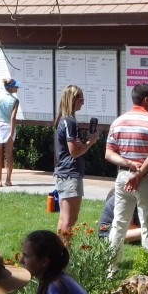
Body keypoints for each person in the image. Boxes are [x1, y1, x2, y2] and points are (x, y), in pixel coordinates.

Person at [104, 83, 148, 265]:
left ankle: (111, 268)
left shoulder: (118, 121)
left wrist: (128, 164)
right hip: (146, 178)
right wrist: (138, 174)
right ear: (146, 100)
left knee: (119, 223)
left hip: (123, 177)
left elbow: (109, 154)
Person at [53, 84, 98, 240]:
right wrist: (91, 142)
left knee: (64, 218)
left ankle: (57, 253)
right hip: (70, 173)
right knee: (70, 220)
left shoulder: (65, 120)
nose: (83, 102)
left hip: (64, 172)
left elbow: (72, 147)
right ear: (73, 100)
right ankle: (63, 256)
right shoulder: (69, 122)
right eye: (81, 98)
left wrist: (83, 143)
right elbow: (74, 152)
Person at [0, 78, 20, 187]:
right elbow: (12, 118)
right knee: (9, 154)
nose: (17, 88)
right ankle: (8, 180)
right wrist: (11, 133)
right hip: (9, 127)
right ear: (10, 87)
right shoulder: (15, 100)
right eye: (16, 86)